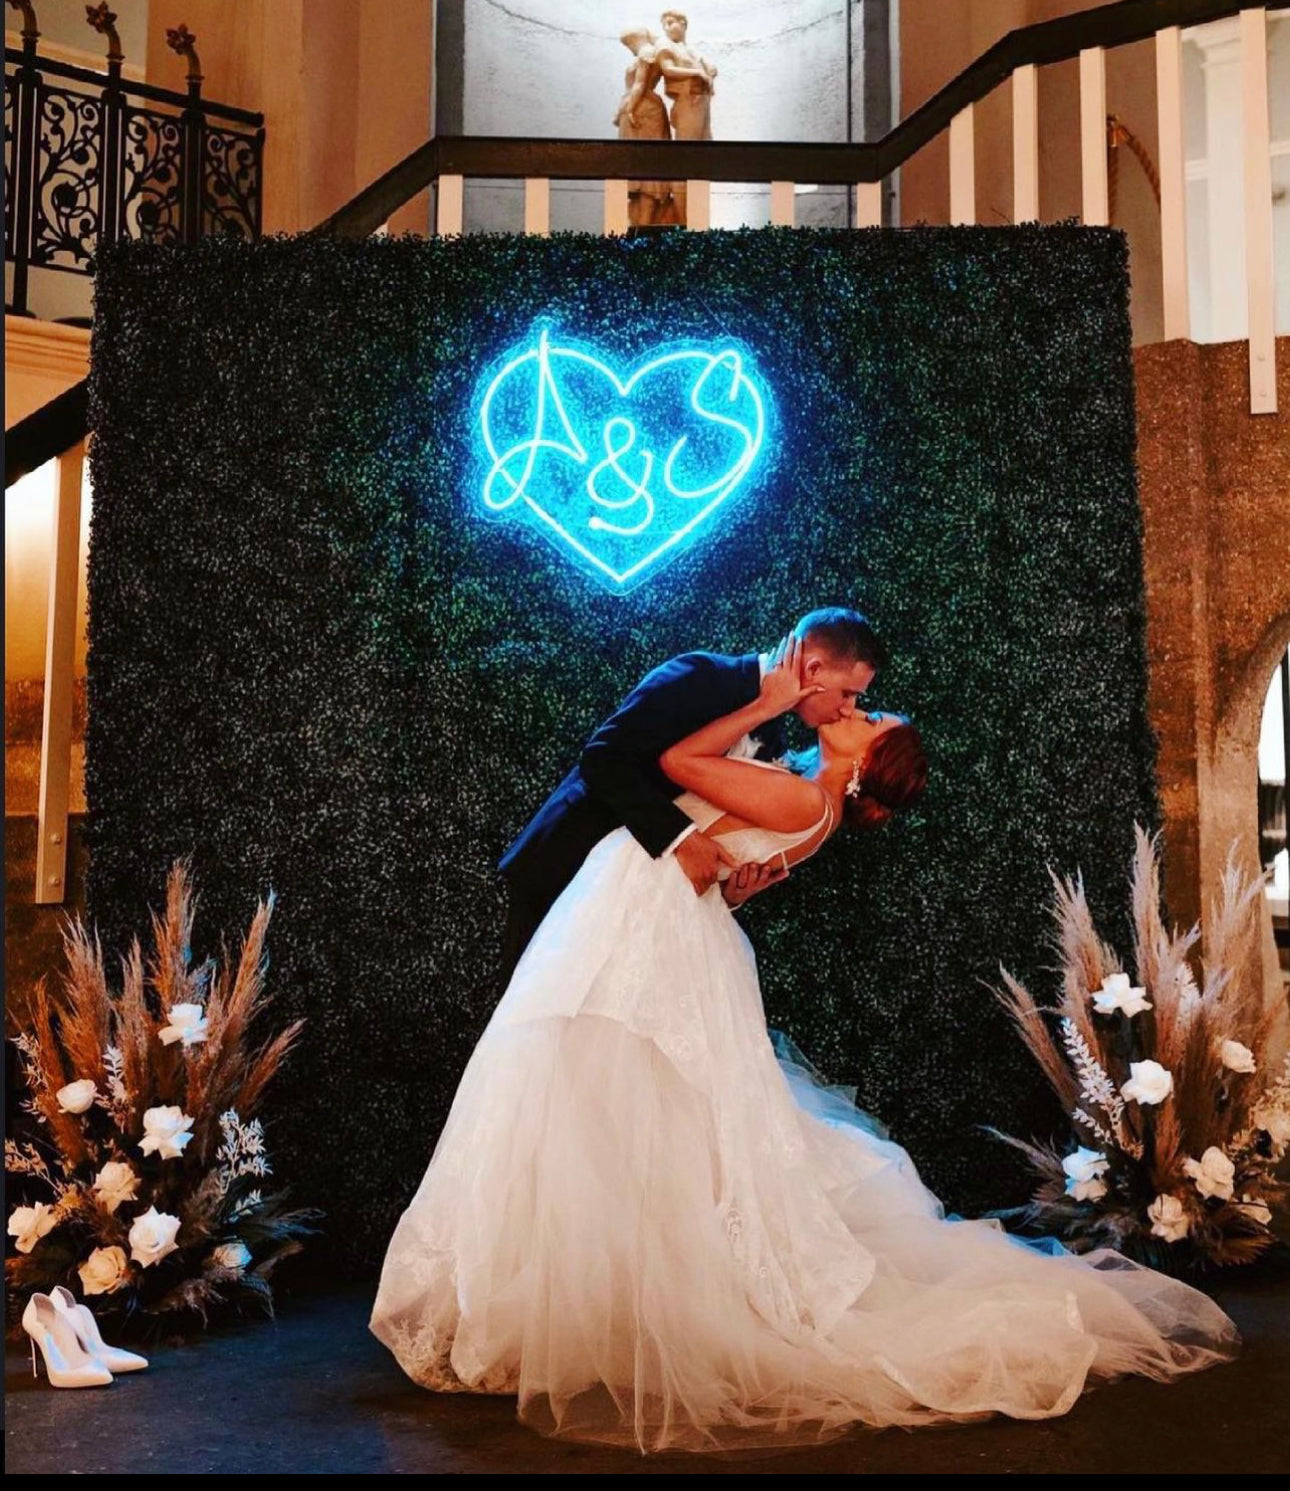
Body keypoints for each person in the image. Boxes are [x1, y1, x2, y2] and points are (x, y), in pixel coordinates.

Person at [368, 629, 1240, 1455]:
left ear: (862, 764)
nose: (856, 711)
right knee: (610, 1107)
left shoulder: (801, 794)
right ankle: (580, 1305)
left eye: (868, 718)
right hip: (651, 920)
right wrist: (738, 871)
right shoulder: (802, 792)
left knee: (589, 1097)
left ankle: (570, 1308)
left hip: (639, 925)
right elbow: (724, 851)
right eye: (860, 702)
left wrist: (764, 705)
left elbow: (675, 764)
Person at [496, 607, 887, 991]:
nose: (848, 708)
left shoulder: (776, 740)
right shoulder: (702, 675)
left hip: (630, 910)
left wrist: (731, 893)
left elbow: (713, 839)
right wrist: (681, 837)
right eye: (848, 693)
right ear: (814, 670)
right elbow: (602, 758)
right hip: (565, 868)